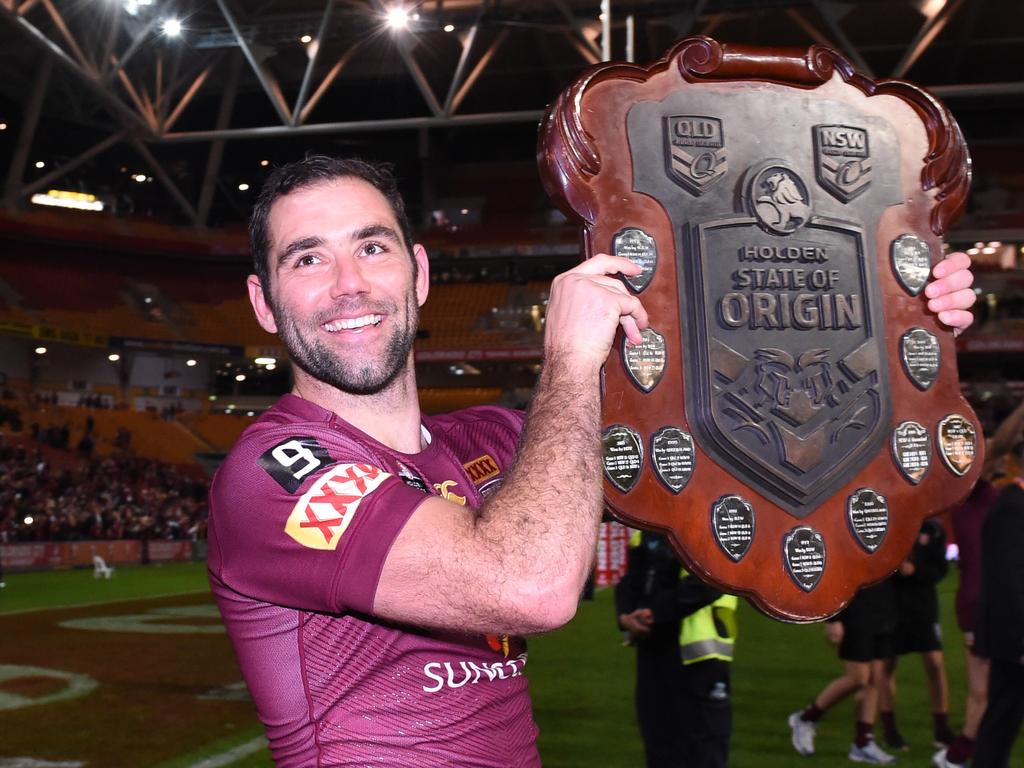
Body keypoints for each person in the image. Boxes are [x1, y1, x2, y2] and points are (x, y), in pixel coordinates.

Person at [207, 154, 977, 767]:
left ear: (419, 272)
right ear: (264, 303)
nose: (349, 285)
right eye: (306, 259)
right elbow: (530, 588)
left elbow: (738, 439)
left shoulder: (491, 440)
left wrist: (893, 318)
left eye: (371, 247)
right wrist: (572, 361)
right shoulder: (274, 470)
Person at [935, 397, 1024, 768]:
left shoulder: (1001, 500)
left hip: (993, 610)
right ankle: (957, 757)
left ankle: (960, 754)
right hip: (991, 612)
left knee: (993, 702)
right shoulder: (986, 499)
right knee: (987, 698)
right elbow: (1008, 581)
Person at [616, 530, 735, 768]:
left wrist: (652, 614)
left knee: (703, 749)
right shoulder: (644, 531)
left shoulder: (711, 522)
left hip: (700, 654)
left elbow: (711, 581)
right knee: (659, 742)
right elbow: (629, 581)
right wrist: (625, 616)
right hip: (654, 649)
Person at [789, 582, 899, 765]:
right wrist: (833, 619)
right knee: (859, 677)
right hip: (854, 608)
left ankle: (863, 742)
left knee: (876, 677)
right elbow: (837, 571)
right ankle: (806, 719)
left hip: (885, 606)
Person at [878, 518, 955, 752]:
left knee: (934, 663)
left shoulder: (932, 528)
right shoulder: (887, 523)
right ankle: (890, 731)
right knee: (886, 667)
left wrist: (916, 570)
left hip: (923, 608)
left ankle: (942, 728)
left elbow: (940, 568)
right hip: (892, 607)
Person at [970, 452, 1024, 768]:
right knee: (1001, 722)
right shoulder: (1012, 508)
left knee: (1003, 721)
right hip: (1014, 641)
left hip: (1012, 637)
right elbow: (1007, 581)